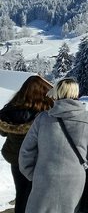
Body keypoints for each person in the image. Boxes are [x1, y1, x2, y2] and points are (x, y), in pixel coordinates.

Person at [19, 78, 88, 213]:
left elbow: (26, 152)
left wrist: (34, 175)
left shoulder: (43, 118)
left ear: (57, 93)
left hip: (45, 178)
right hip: (76, 179)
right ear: (77, 93)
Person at [0, 75, 53, 213]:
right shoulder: (46, 112)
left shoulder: (10, 109)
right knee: (40, 196)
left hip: (16, 158)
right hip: (40, 158)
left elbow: (3, 132)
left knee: (22, 194)